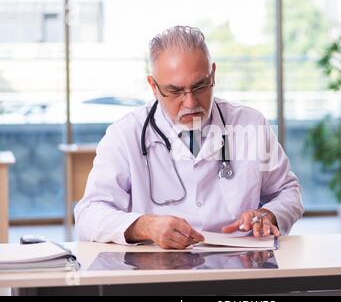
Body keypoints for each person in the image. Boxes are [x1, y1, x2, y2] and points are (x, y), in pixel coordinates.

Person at [74, 26, 304, 249]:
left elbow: (288, 192)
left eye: (200, 86)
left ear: (213, 74)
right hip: (158, 270)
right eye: (175, 91)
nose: (191, 102)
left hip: (240, 262)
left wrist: (269, 214)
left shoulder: (250, 124)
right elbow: (89, 214)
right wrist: (143, 226)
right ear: (153, 86)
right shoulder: (125, 134)